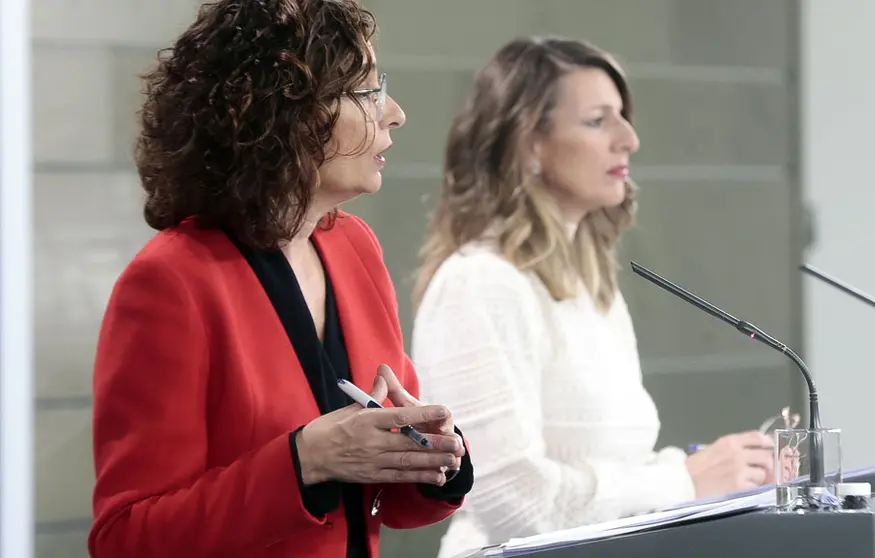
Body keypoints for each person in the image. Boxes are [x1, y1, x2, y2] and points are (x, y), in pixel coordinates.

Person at [88, 1, 473, 557]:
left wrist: (431, 456)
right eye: (365, 91)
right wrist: (304, 463)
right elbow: (126, 539)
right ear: (283, 113)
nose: (394, 113)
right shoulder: (169, 281)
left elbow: (380, 503)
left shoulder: (353, 246)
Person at [410, 36, 775, 558]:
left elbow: (619, 476)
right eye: (598, 120)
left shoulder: (589, 284)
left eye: (623, 116)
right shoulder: (481, 283)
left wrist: (726, 469)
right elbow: (514, 502)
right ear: (530, 143)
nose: (629, 139)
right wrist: (684, 481)